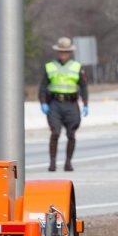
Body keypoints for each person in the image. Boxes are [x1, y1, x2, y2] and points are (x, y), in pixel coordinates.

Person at [39, 36, 89, 171]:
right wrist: (43, 102)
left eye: (66, 51)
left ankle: (68, 162)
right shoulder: (50, 66)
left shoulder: (77, 67)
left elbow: (83, 86)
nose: (63, 54)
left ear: (70, 52)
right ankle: (52, 163)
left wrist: (85, 103)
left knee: (71, 134)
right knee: (55, 133)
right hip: (55, 103)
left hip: (71, 103)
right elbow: (43, 86)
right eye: (61, 51)